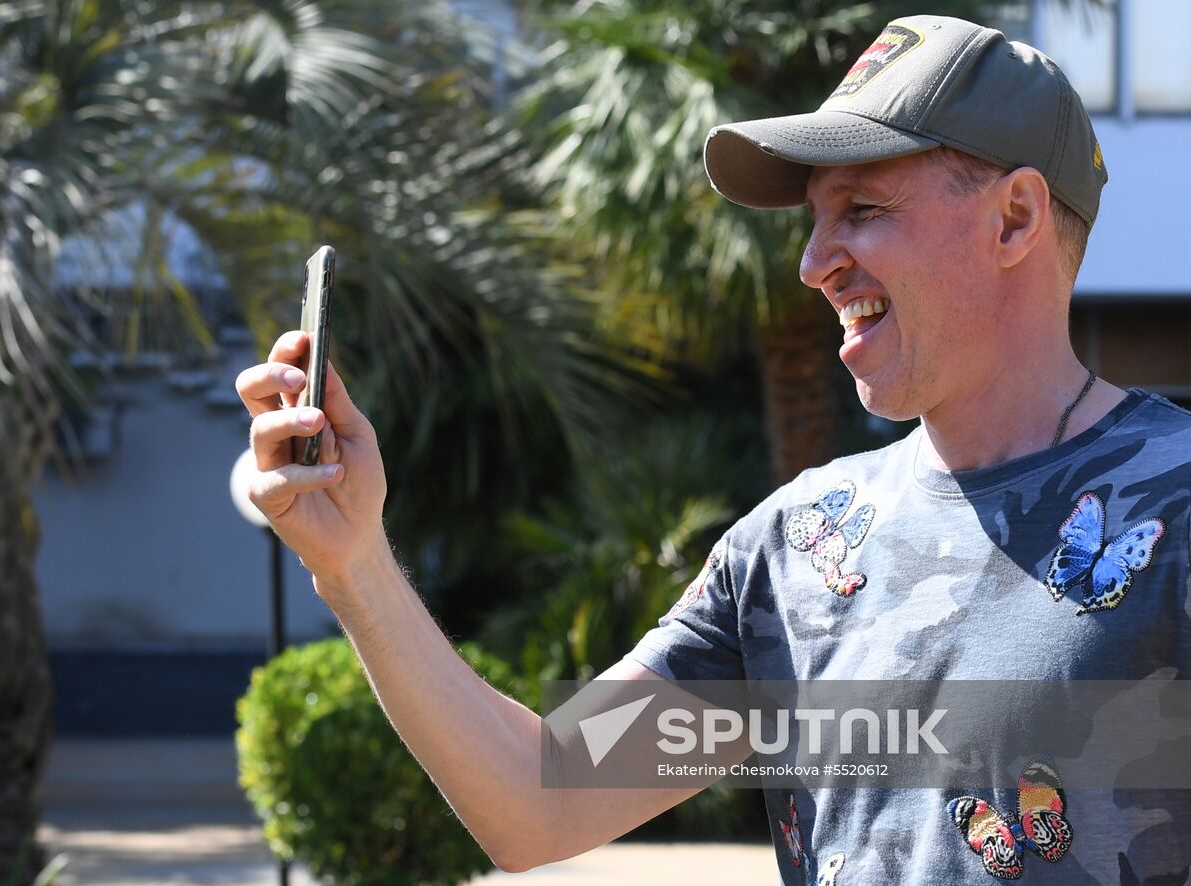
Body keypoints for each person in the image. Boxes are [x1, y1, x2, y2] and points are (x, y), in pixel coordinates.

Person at [236, 15, 1191, 883]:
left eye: (862, 209)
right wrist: (355, 563)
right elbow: (538, 798)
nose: (814, 264)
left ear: (1014, 219)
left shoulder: (1179, 509)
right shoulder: (802, 543)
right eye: (814, 221)